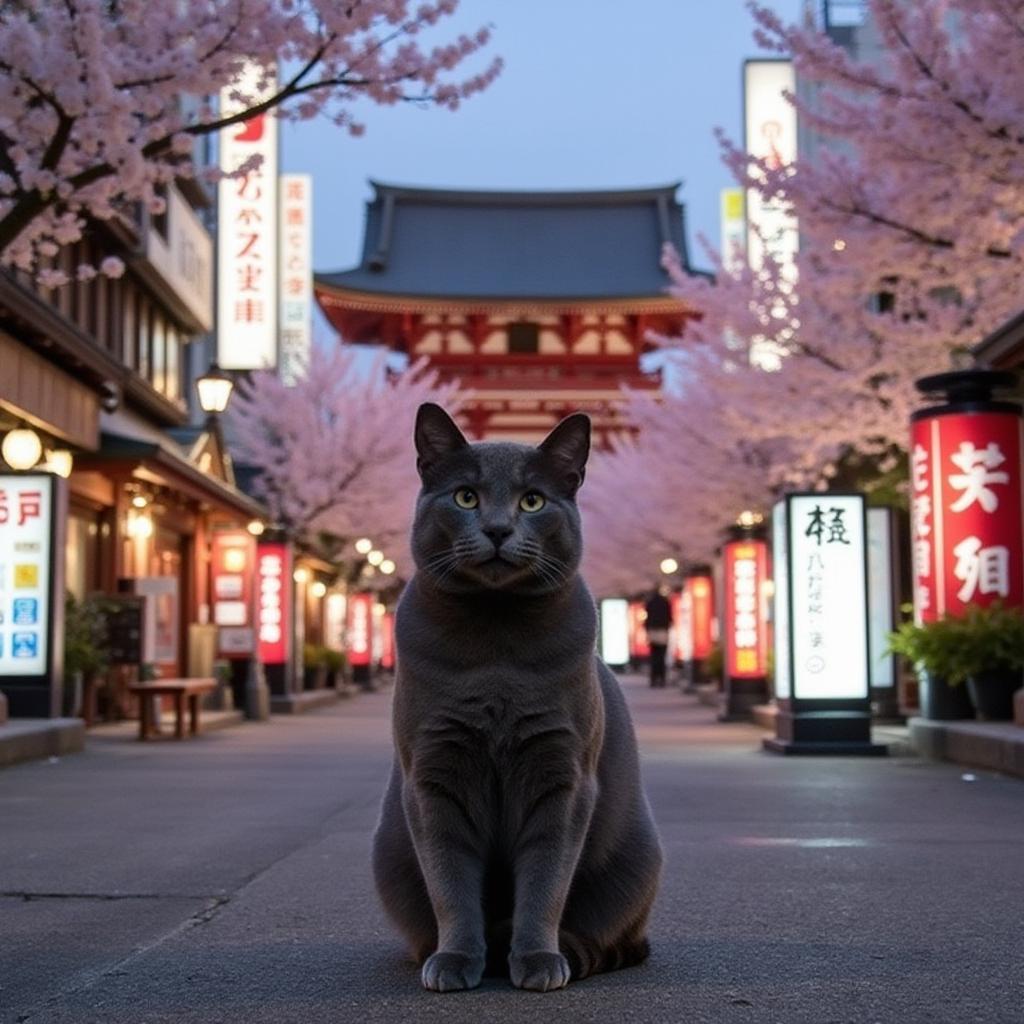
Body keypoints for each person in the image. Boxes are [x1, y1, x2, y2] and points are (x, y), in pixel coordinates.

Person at [644, 586, 672, 688]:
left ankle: (653, 679)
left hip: (652, 631)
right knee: (662, 656)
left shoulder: (650, 602)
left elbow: (646, 618)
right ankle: (662, 679)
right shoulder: (665, 602)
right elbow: (670, 617)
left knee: (654, 656)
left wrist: (647, 631)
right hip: (663, 631)